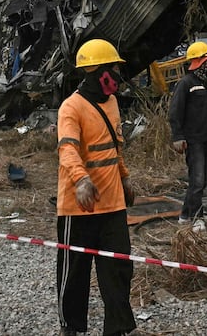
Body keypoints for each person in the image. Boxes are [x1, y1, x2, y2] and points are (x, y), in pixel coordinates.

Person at [55, 39, 136, 336]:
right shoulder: (71, 108)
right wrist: (82, 180)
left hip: (112, 204)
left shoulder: (112, 103)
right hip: (78, 205)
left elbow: (115, 147)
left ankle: (117, 328)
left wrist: (124, 177)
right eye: (113, 68)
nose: (117, 74)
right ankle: (71, 327)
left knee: (118, 269)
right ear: (99, 73)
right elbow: (67, 149)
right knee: (74, 272)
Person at [169, 41, 207, 225]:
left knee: (202, 180)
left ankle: (186, 215)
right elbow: (175, 111)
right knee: (197, 179)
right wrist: (177, 136)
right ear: (197, 62)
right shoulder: (185, 84)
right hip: (194, 142)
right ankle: (196, 217)